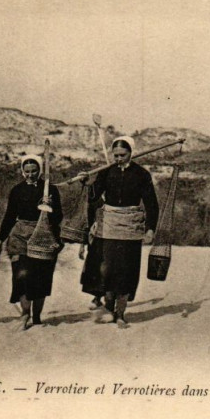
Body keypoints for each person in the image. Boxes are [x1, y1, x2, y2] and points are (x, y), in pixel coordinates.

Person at [78, 136, 159, 328]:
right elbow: (94, 197)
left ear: (131, 153)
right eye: (115, 155)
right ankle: (109, 308)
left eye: (122, 155)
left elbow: (152, 204)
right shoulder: (106, 172)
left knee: (126, 271)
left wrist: (150, 229)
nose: (118, 159)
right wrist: (87, 183)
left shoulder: (141, 174)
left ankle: (120, 313)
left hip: (131, 227)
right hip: (109, 225)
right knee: (107, 270)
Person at [0, 155, 63, 330]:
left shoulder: (50, 189)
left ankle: (37, 316)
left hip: (44, 236)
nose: (30, 175)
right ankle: (25, 314)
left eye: (34, 171)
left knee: (41, 277)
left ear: (40, 171)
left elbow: (58, 217)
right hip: (20, 236)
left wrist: (50, 207)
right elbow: (10, 216)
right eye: (27, 171)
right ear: (22, 172)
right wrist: (0, 241)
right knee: (22, 275)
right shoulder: (17, 190)